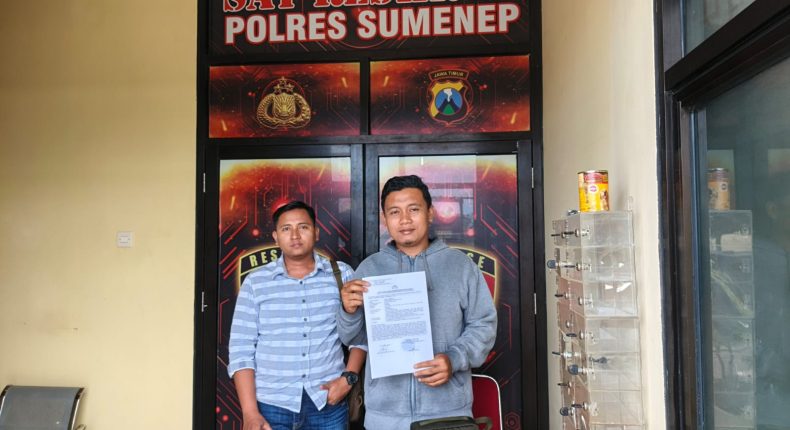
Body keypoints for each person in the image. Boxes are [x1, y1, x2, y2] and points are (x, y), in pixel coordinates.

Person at [337, 175, 497, 429]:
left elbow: (484, 326)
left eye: (414, 209)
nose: (405, 220)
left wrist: (454, 359)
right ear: (384, 219)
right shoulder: (369, 269)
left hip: (447, 415)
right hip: (384, 417)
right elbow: (354, 338)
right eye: (395, 212)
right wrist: (348, 311)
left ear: (430, 213)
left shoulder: (460, 266)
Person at [228, 200, 366, 430]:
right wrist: (250, 412)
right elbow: (241, 350)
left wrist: (348, 379)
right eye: (286, 229)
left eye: (303, 227)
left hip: (328, 402)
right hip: (271, 406)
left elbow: (361, 334)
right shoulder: (256, 282)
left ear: (316, 232)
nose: (295, 235)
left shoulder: (341, 275)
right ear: (275, 237)